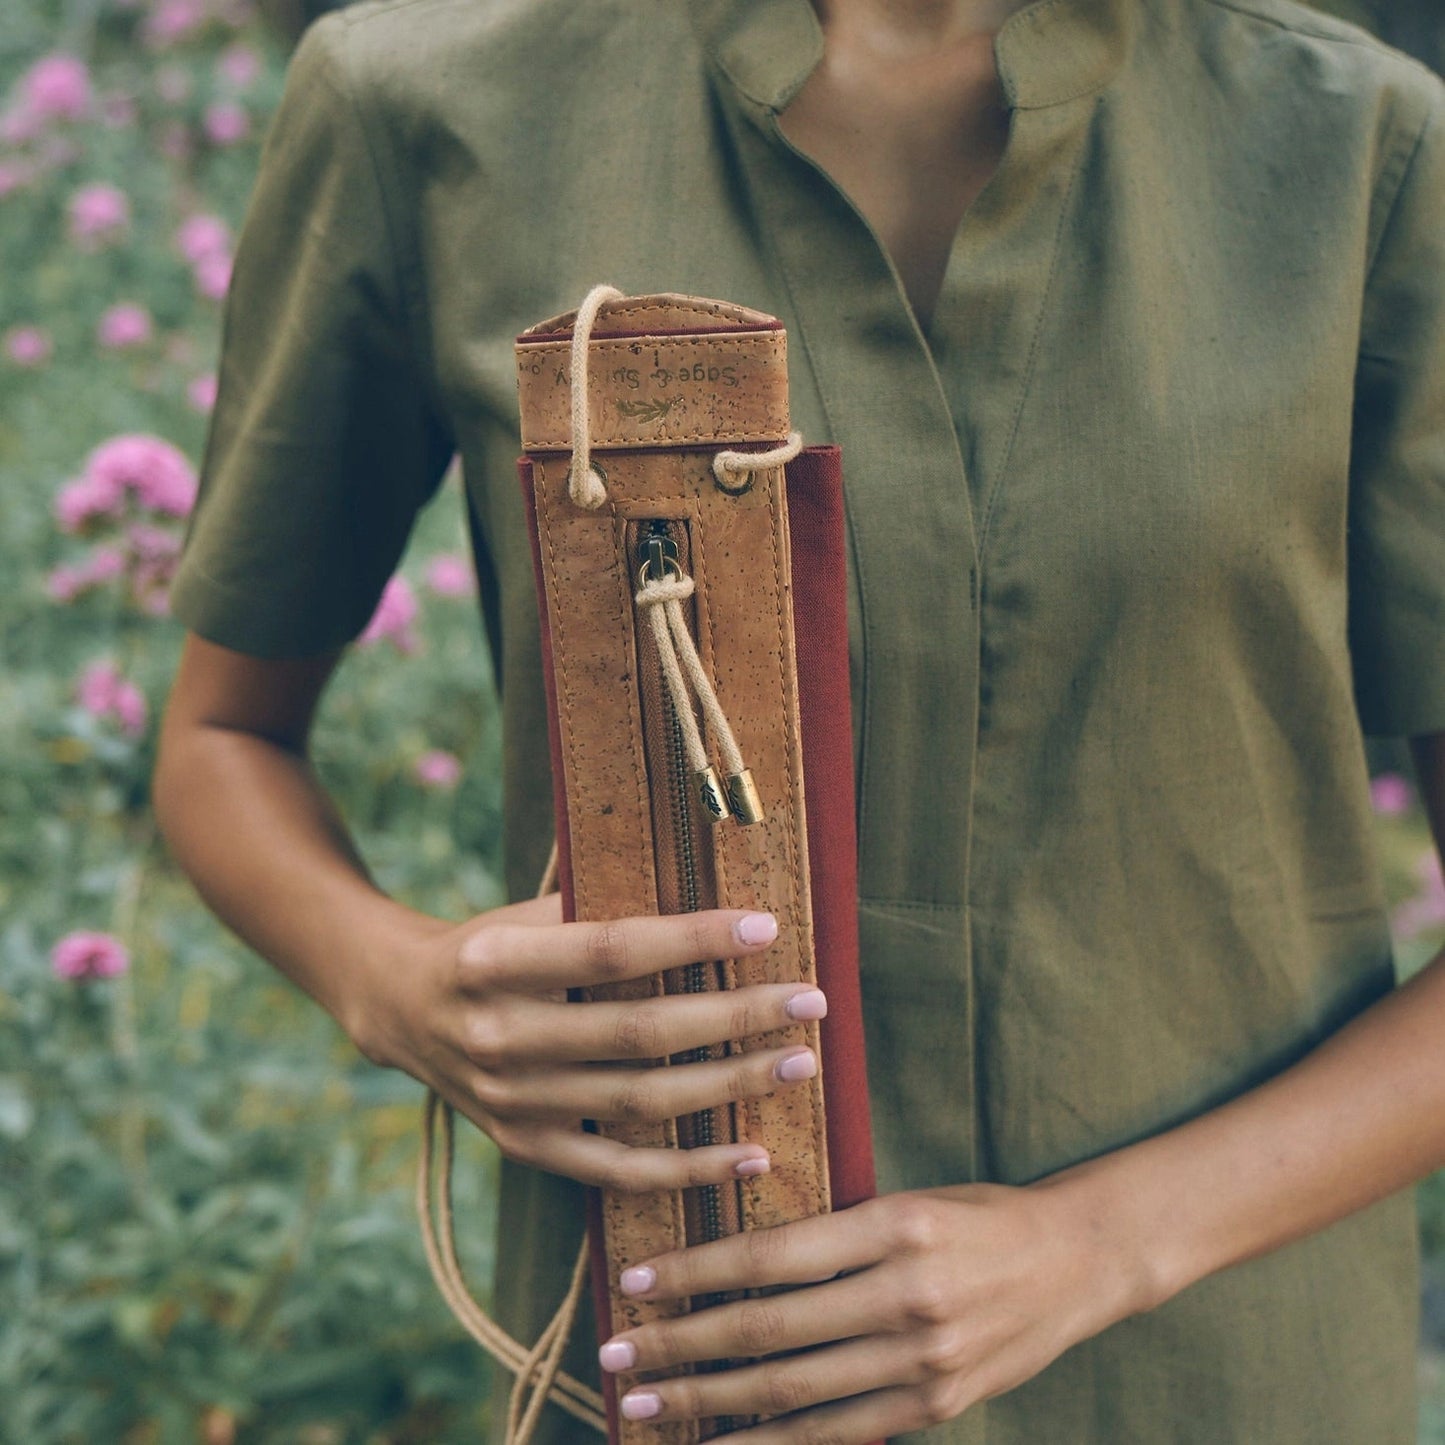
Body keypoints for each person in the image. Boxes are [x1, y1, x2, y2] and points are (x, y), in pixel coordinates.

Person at [153, 0, 1445, 1440]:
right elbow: (221, 742)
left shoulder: (1353, 146)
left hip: (1218, 1370)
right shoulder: (433, 101)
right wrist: (400, 986)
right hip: (685, 1366)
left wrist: (1103, 1243)